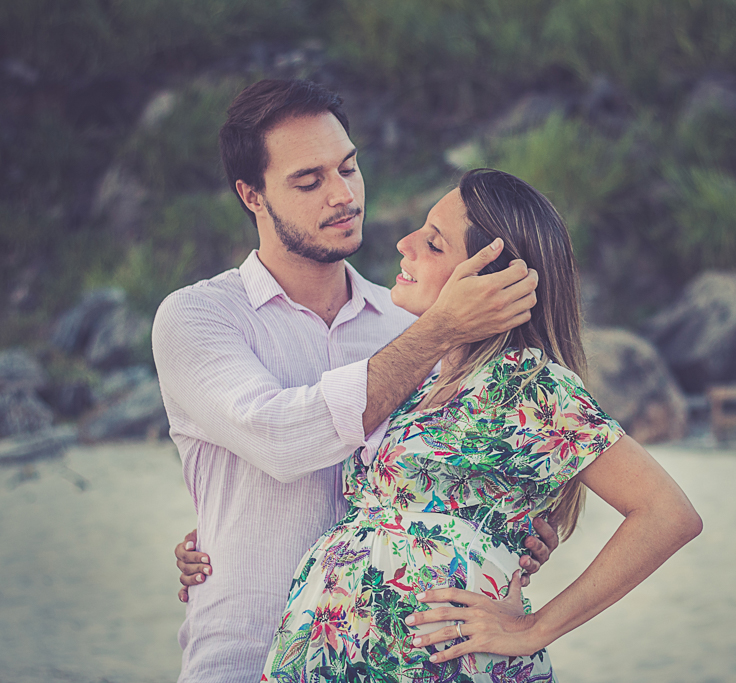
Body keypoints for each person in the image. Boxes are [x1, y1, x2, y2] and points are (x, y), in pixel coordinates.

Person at [152, 79, 557, 683]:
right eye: (309, 181)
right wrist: (439, 331)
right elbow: (277, 437)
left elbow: (457, 470)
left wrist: (509, 527)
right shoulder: (199, 317)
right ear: (251, 195)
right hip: (241, 658)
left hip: (389, 662)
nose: (343, 195)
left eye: (349, 167)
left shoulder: (410, 318)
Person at [260, 169, 702, 682]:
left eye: (433, 242)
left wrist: (535, 628)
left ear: (493, 278)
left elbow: (668, 514)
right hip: (335, 652)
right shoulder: (416, 379)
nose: (404, 245)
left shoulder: (526, 382)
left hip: (446, 664)